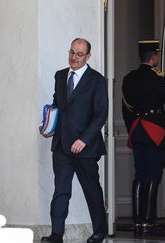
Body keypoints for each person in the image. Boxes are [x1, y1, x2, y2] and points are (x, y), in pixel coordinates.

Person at [41, 38, 108, 243]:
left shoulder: (97, 80)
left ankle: (99, 232)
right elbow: (57, 104)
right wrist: (48, 124)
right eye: (72, 52)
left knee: (91, 190)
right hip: (62, 145)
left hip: (85, 147)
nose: (74, 57)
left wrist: (84, 140)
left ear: (88, 56)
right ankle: (56, 235)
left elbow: (100, 115)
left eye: (80, 54)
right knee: (61, 190)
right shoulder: (60, 76)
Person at [121, 40, 165, 235]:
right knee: (153, 174)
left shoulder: (129, 78)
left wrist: (133, 129)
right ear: (154, 56)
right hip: (154, 131)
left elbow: (126, 109)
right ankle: (148, 221)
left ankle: (138, 222)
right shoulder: (158, 77)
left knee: (140, 173)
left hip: (137, 130)